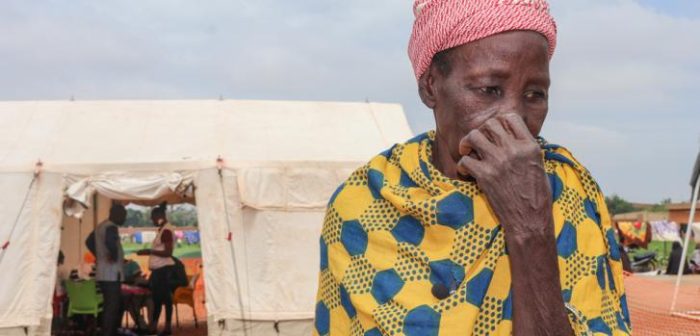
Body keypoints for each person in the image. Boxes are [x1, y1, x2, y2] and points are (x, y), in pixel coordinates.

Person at [313, 1, 630, 335]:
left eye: (535, 94)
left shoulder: (564, 192)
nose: (513, 118)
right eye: (489, 90)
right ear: (431, 87)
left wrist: (530, 229)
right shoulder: (365, 202)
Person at [86, 203, 127, 336]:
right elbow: (110, 242)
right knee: (111, 308)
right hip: (111, 274)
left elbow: (89, 241)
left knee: (110, 307)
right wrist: (113, 255)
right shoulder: (111, 227)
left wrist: (100, 254)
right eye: (123, 216)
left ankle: (109, 332)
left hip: (102, 273)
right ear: (116, 214)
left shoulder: (101, 226)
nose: (124, 219)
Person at [137, 202, 175, 336]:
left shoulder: (166, 231)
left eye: (153, 218)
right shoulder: (162, 229)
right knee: (162, 298)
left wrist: (149, 251)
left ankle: (158, 327)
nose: (152, 221)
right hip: (159, 270)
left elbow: (168, 252)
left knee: (160, 299)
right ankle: (159, 326)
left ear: (159, 216)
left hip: (163, 270)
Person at [122, 258, 152, 334]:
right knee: (130, 305)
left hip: (143, 294)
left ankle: (151, 326)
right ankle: (143, 326)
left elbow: (137, 276)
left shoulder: (132, 264)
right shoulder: (113, 267)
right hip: (129, 296)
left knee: (151, 302)